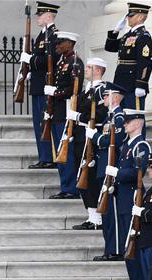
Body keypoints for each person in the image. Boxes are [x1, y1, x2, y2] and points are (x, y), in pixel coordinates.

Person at [112, 109, 150, 280]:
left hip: (132, 198)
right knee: (127, 240)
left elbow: (138, 172)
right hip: (123, 198)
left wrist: (117, 174)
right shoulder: (127, 145)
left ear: (138, 123)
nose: (124, 124)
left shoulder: (141, 146)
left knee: (132, 238)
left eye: (128, 122)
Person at [90, 83, 125, 262]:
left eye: (106, 95)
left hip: (111, 170)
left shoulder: (119, 117)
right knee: (106, 212)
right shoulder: (110, 117)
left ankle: (115, 249)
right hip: (103, 169)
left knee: (112, 213)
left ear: (116, 97)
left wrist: (94, 137)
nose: (103, 98)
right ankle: (109, 248)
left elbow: (114, 141)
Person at [47, 32, 83, 200]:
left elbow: (73, 90)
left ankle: (70, 188)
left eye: (61, 42)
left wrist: (56, 92)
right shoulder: (63, 61)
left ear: (70, 43)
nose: (57, 45)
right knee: (59, 153)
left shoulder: (75, 63)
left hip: (66, 112)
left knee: (66, 152)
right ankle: (65, 185)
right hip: (57, 112)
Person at [72, 57, 107, 231]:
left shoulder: (102, 90)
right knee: (82, 178)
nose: (85, 70)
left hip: (91, 139)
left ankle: (97, 218)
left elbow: (102, 113)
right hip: (80, 138)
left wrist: (80, 118)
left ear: (98, 70)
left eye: (89, 67)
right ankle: (91, 216)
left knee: (91, 179)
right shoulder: (87, 89)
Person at [22, 2, 58, 170]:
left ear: (49, 16)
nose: (37, 17)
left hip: (45, 85)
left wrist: (30, 60)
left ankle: (49, 156)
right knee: (38, 123)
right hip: (37, 84)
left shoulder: (53, 35)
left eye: (40, 14)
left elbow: (50, 61)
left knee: (45, 122)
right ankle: (43, 156)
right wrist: (30, 70)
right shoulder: (41, 35)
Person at [104, 3, 152, 111]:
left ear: (140, 17)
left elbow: (145, 62)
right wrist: (116, 31)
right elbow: (110, 47)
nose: (128, 18)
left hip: (132, 84)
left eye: (131, 15)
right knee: (120, 117)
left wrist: (141, 84)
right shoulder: (127, 35)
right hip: (120, 82)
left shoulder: (143, 36)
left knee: (133, 118)